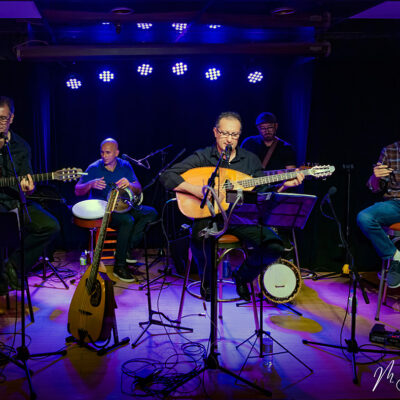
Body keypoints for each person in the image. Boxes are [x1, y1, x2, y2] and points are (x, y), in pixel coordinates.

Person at [160, 111, 304, 301]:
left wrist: (284, 184)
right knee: (199, 238)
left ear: (240, 135)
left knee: (274, 246)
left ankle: (242, 277)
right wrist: (198, 190)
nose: (229, 139)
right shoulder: (203, 157)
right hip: (209, 217)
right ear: (215, 132)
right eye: (225, 133)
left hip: (240, 217)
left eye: (234, 135)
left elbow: (262, 192)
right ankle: (207, 281)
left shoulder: (250, 160)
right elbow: (167, 176)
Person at [75, 138, 158, 283]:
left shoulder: (124, 165)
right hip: (106, 211)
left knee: (151, 213)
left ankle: (126, 248)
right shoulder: (94, 168)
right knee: (128, 221)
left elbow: (138, 189)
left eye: (108, 152)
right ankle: (119, 266)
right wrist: (90, 184)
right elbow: (77, 190)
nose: (104, 156)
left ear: (116, 153)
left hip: (125, 206)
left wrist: (130, 185)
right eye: (102, 152)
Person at [0, 96, 60, 295]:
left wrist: (30, 188)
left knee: (50, 225)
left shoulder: (22, 146)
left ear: (12, 118)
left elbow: (27, 179)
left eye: (3, 118)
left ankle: (14, 266)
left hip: (16, 202)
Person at [357, 142, 400, 288]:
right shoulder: (390, 150)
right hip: (396, 204)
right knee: (365, 217)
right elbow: (374, 188)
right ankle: (395, 256)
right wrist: (375, 177)